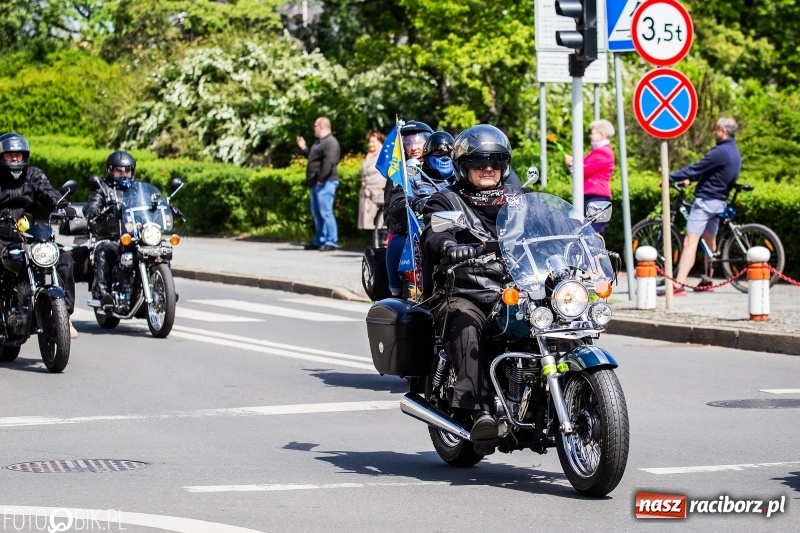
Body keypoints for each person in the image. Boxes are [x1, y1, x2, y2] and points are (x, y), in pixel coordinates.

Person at [422, 124, 523, 452]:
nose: (489, 169)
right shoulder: (446, 200)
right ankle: (476, 408)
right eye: (480, 163)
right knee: (466, 323)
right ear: (464, 166)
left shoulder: (518, 201)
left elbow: (546, 225)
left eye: (495, 162)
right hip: (467, 290)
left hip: (516, 288)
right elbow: (436, 233)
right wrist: (450, 247)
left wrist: (581, 241)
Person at [0, 133, 78, 339]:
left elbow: (48, 192)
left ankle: (64, 316)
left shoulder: (33, 175)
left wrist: (62, 205)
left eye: (18, 155)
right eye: (10, 156)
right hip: (2, 239)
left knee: (64, 258)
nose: (15, 160)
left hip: (29, 238)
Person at [666, 117, 742, 296]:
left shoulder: (720, 151)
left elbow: (696, 167)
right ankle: (707, 281)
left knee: (690, 242)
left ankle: (678, 285)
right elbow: (711, 172)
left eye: (716, 129)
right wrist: (691, 179)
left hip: (706, 201)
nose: (714, 132)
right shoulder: (734, 151)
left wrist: (670, 178)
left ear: (723, 131)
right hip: (719, 201)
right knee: (710, 241)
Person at [383, 120, 434, 296]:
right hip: (410, 228)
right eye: (408, 142)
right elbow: (391, 208)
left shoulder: (443, 169)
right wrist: (408, 212)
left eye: (419, 141)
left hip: (437, 225)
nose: (414, 147)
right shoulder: (398, 173)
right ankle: (395, 289)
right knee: (398, 242)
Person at [83, 150, 137, 308]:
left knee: (159, 251)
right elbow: (94, 202)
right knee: (103, 250)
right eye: (119, 170)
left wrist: (162, 207)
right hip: (111, 238)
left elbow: (148, 202)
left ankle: (161, 288)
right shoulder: (102, 188)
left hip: (135, 238)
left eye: (127, 170)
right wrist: (93, 209)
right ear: (110, 171)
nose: (123, 174)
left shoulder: (136, 189)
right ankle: (103, 293)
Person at [297, 117, 341, 252]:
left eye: (315, 126)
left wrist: (321, 178)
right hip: (317, 184)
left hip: (326, 182)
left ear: (321, 126)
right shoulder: (319, 142)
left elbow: (330, 162)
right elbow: (313, 159)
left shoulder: (331, 142)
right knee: (317, 213)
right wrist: (304, 149)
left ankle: (331, 241)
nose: (313, 128)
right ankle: (319, 240)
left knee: (326, 212)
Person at [565, 119, 615, 235]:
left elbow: (584, 170)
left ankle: (597, 253)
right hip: (593, 196)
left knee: (592, 232)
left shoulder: (603, 152)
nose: (590, 136)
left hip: (596, 197)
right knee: (588, 231)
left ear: (602, 134)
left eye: (593, 133)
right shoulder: (598, 151)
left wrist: (572, 164)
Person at [357, 131, 387, 242]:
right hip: (367, 192)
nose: (371, 144)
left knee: (381, 222)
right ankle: (376, 244)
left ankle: (382, 244)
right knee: (373, 223)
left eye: (374, 142)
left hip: (378, 191)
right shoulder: (369, 155)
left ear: (380, 142)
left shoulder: (383, 155)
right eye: (369, 142)